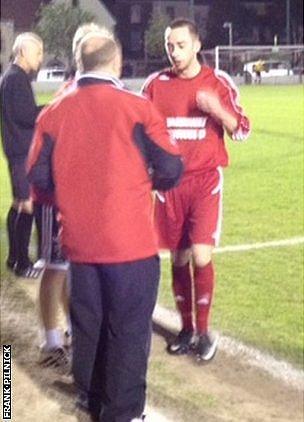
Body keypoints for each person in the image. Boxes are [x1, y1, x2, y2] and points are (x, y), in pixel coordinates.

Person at [27, 32, 183, 421]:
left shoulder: (53, 113)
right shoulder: (137, 107)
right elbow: (171, 167)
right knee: (128, 332)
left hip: (79, 245)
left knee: (89, 328)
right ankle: (125, 413)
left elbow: (38, 178)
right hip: (130, 245)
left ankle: (91, 401)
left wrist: (76, 192)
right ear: (116, 64)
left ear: (79, 63)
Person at [142, 18, 250, 362]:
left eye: (181, 45)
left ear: (197, 45)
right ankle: (186, 328)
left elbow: (242, 130)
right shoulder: (155, 84)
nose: (174, 52)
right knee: (179, 257)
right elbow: (140, 132)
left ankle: (203, 332)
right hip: (170, 185)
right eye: (170, 46)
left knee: (201, 255)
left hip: (205, 183)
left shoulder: (217, 82)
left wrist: (217, 109)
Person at [36, 23, 114, 374]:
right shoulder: (71, 95)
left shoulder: (91, 93)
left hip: (85, 202)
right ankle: (50, 341)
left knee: (71, 272)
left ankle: (72, 332)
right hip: (59, 199)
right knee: (56, 269)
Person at [0, 32, 44, 278]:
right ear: (24, 52)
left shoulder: (11, 76)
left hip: (15, 149)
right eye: (38, 52)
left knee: (18, 204)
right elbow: (26, 116)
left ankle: (13, 258)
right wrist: (50, 109)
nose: (41, 57)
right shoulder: (16, 79)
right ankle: (22, 263)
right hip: (21, 151)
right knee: (26, 205)